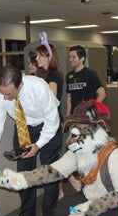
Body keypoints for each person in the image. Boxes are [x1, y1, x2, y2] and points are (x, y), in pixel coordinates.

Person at [0, 66, 62, 216]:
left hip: (47, 125)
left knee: (48, 173)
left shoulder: (39, 87)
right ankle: (27, 215)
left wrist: (39, 145)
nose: (5, 98)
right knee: (23, 172)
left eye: (9, 94)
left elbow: (53, 120)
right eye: (2, 93)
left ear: (20, 84)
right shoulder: (1, 95)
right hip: (23, 127)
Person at [35, 35, 82, 200]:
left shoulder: (53, 75)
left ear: (49, 57)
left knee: (52, 159)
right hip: (47, 123)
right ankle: (70, 183)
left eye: (40, 55)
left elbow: (51, 101)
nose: (36, 59)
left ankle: (66, 185)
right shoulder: (45, 74)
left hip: (51, 123)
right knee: (54, 158)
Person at [66, 45, 106, 116]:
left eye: (74, 57)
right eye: (69, 57)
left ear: (82, 59)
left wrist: (92, 110)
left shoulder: (90, 74)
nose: (70, 59)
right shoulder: (69, 76)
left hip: (87, 114)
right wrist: (68, 115)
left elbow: (102, 94)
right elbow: (69, 97)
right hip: (74, 114)